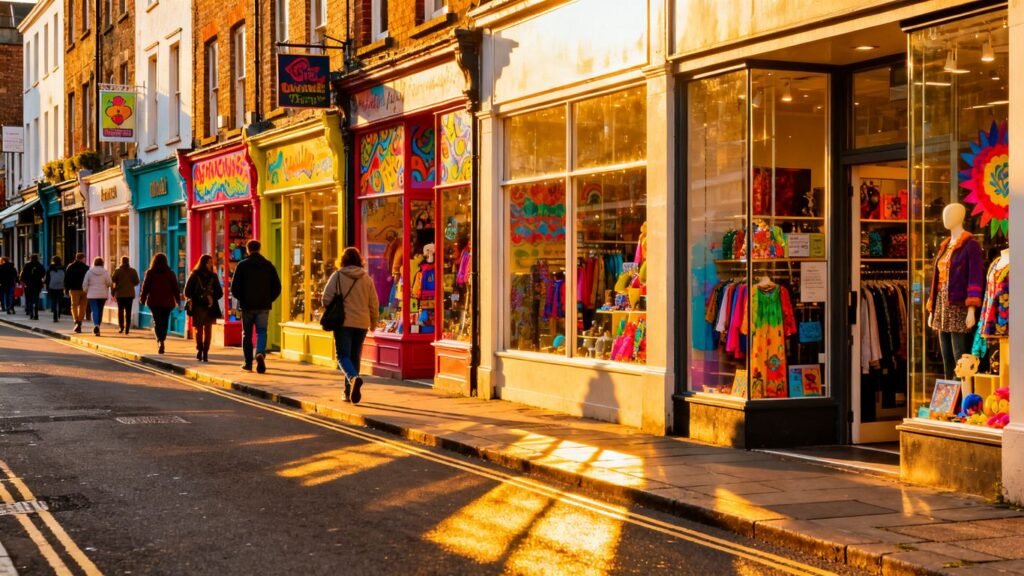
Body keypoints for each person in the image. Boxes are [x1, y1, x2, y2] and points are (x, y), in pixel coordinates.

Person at [322, 247, 379, 404]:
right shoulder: (366, 278)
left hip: (343, 322)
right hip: (362, 323)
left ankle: (353, 378)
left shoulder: (338, 276)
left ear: (343, 260)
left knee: (342, 356)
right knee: (354, 356)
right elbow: (374, 303)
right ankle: (348, 392)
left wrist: (335, 304)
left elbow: (326, 298)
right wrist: (374, 322)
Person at [230, 240, 281, 374]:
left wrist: (242, 298)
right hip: (263, 305)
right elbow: (277, 287)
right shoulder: (268, 265)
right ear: (260, 249)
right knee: (262, 332)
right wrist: (269, 299)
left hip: (247, 306)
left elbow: (234, 288)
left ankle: (248, 363)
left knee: (247, 334)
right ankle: (259, 353)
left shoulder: (242, 266)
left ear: (248, 250)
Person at [140, 253, 182, 355]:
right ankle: (162, 338)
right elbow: (176, 289)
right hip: (167, 302)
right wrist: (178, 301)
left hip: (154, 302)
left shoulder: (150, 273)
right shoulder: (170, 273)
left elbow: (145, 288)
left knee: (157, 321)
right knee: (164, 321)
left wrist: (143, 298)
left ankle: (160, 340)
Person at [184, 254, 223, 362]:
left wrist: (196, 297)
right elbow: (219, 293)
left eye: (212, 263)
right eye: (209, 262)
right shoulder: (212, 276)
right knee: (206, 329)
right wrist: (211, 297)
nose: (211, 265)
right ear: (204, 263)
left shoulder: (194, 274)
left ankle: (201, 351)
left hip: (198, 306)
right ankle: (204, 351)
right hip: (208, 306)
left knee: (200, 329)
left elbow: (187, 292)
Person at [82, 257, 112, 336]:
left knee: (94, 310)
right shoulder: (105, 272)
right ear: (102, 263)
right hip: (102, 294)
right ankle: (98, 326)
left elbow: (85, 283)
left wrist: (87, 291)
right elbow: (109, 283)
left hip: (92, 295)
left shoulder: (89, 272)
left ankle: (96, 325)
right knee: (100, 310)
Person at [111, 256, 140, 335]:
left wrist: (113, 292)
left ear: (121, 262)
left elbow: (113, 282)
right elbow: (137, 282)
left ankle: (121, 327)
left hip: (120, 294)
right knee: (128, 311)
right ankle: (127, 327)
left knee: (120, 311)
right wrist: (130, 285)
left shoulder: (117, 271)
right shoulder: (133, 271)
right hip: (130, 294)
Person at [64, 252, 90, 332]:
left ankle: (76, 320)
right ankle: (80, 321)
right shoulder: (86, 267)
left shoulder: (70, 267)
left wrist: (66, 289)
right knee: (83, 306)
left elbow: (66, 279)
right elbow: (89, 279)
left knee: (74, 305)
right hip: (84, 290)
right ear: (82, 258)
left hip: (74, 289)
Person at [19, 254, 45, 320]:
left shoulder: (27, 265)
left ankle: (31, 313)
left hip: (28, 285)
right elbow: (43, 274)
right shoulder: (40, 265)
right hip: (37, 285)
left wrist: (24, 281)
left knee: (29, 299)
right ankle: (36, 314)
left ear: (31, 258)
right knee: (36, 299)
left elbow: (22, 275)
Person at [44, 256, 66, 323]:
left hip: (52, 287)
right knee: (60, 300)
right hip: (61, 287)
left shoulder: (50, 268)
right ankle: (59, 312)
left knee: (53, 301)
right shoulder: (63, 268)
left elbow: (47, 279)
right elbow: (66, 278)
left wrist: (47, 287)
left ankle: (55, 316)